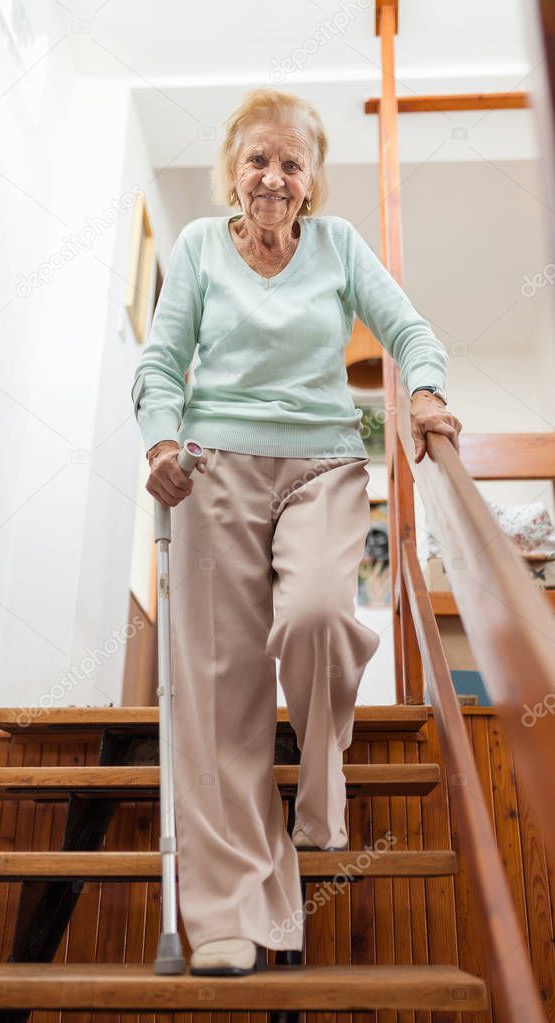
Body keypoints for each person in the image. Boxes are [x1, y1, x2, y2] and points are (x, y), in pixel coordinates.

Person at [131, 87, 462, 976]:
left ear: (311, 180)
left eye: (290, 161)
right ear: (231, 173)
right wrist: (161, 439)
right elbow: (161, 363)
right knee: (221, 690)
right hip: (212, 470)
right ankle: (230, 913)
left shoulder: (338, 246)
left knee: (317, 613)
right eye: (256, 159)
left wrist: (424, 389)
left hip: (321, 462)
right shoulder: (201, 248)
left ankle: (320, 796)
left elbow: (408, 329)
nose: (272, 175)